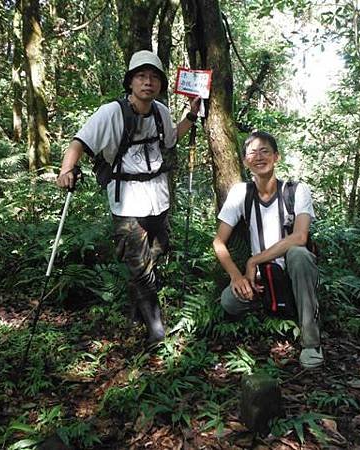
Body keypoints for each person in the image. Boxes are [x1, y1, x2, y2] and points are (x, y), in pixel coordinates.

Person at [57, 50, 200, 347]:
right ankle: (156, 328)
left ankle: (136, 311)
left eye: (153, 78)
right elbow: (78, 143)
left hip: (158, 200)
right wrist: (66, 168)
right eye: (141, 77)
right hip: (127, 204)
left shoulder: (161, 111)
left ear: (160, 83)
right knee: (139, 265)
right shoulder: (112, 113)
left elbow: (171, 138)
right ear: (131, 82)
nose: (148, 82)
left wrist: (191, 115)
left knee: (156, 254)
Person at [212, 131, 323, 369]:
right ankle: (272, 306)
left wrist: (252, 261)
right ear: (245, 161)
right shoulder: (241, 193)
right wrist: (237, 276)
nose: (259, 156)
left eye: (265, 151)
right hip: (263, 278)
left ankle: (311, 342)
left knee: (299, 254)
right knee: (229, 301)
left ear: (276, 157)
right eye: (252, 152)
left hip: (292, 273)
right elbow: (218, 242)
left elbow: (300, 236)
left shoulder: (296, 190)